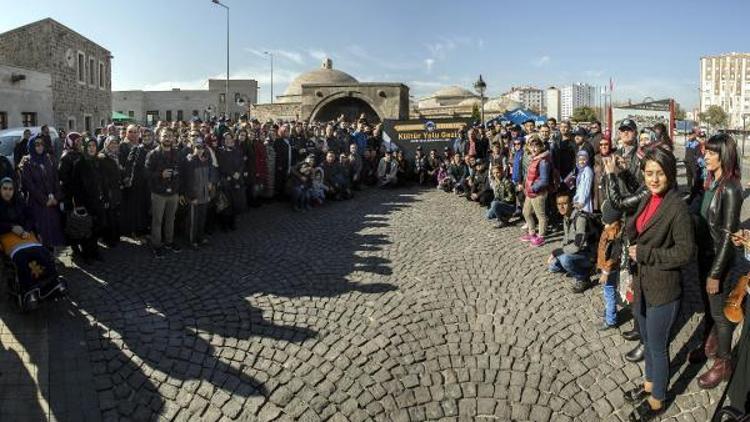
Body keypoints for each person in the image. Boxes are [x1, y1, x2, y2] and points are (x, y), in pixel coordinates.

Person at [611, 148, 695, 421]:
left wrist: (646, 254)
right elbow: (633, 223)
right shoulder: (648, 197)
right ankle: (649, 385)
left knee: (657, 346)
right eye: (649, 173)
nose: (654, 179)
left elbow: (685, 253)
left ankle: (658, 399)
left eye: (660, 173)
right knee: (646, 340)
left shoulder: (677, 207)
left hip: (663, 289)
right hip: (642, 283)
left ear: (670, 174)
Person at [686, 133, 742, 390]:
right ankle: (708, 344)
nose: (704, 156)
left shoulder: (731, 188)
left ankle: (724, 363)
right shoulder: (712, 182)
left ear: (724, 155)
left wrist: (716, 274)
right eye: (704, 152)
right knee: (710, 308)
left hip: (718, 262)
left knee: (720, 314)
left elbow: (729, 236)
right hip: (704, 255)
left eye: (710, 152)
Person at [0, 177, 64, 308]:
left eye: (10, 189)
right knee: (22, 258)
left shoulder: (20, 201)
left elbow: (30, 217)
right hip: (8, 238)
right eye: (4, 189)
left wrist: (27, 229)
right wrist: (11, 227)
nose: (8, 192)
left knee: (43, 253)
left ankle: (52, 284)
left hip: (26, 235)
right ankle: (29, 291)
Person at [18, 135, 65, 250]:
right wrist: (44, 200)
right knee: (41, 231)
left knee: (53, 230)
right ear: (31, 146)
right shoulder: (27, 163)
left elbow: (55, 179)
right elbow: (30, 186)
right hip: (37, 204)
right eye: (36, 144)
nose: (40, 147)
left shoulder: (48, 158)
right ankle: (44, 257)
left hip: (52, 202)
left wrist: (56, 197)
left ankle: (51, 254)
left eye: (42, 144)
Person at [548, 190, 597, 293]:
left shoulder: (580, 219)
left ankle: (583, 278)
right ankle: (577, 268)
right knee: (552, 267)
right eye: (559, 204)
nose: (561, 207)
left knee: (565, 260)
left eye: (565, 204)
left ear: (571, 204)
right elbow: (566, 240)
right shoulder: (566, 217)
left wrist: (558, 252)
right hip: (577, 253)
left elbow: (577, 245)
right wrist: (558, 254)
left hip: (588, 255)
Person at [145, 128, 182, 258]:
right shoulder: (153, 154)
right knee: (157, 221)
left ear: (173, 138)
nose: (167, 138)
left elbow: (180, 171)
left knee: (171, 219)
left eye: (170, 136)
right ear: (159, 137)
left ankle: (169, 242)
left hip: (173, 192)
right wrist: (160, 174)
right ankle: (156, 245)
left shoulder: (177, 153)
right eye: (165, 136)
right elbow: (146, 174)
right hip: (158, 193)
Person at [180, 137, 215, 249]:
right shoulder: (189, 161)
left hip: (204, 194)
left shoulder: (206, 159)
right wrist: (192, 196)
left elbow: (209, 176)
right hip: (194, 196)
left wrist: (209, 191)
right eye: (197, 147)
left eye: (202, 147)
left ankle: (200, 237)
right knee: (192, 220)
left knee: (202, 218)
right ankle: (191, 240)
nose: (200, 149)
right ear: (193, 147)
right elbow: (188, 181)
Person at [121, 128, 154, 241]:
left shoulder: (155, 149)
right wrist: (128, 179)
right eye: (144, 136)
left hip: (150, 184)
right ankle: (137, 232)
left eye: (149, 136)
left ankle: (146, 230)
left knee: (147, 207)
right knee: (137, 209)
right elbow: (129, 164)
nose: (147, 138)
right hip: (137, 184)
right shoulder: (136, 149)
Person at [596, 201, 624, 330]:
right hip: (608, 267)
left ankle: (611, 320)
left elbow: (613, 256)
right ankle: (609, 311)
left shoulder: (613, 233)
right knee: (609, 292)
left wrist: (605, 272)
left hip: (610, 269)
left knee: (609, 293)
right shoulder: (611, 228)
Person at [520, 137, 551, 247]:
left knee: (540, 215)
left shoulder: (543, 161)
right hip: (530, 191)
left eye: (536, 146)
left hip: (538, 192)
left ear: (541, 146)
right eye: (531, 146)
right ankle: (532, 232)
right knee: (526, 212)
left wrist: (533, 188)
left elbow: (544, 180)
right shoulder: (534, 158)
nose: (533, 148)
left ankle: (541, 236)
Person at [97, 136, 124, 248]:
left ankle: (115, 236)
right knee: (109, 215)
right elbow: (102, 178)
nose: (114, 145)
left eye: (116, 143)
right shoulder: (102, 157)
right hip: (108, 190)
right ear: (106, 144)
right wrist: (105, 194)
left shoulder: (116, 155)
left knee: (115, 214)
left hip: (116, 189)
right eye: (111, 143)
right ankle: (109, 239)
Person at [216, 132, 246, 231]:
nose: (228, 140)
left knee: (235, 202)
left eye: (230, 138)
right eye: (226, 139)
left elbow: (242, 163)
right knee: (226, 204)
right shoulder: (220, 151)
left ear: (233, 139)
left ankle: (232, 222)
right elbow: (222, 165)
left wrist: (238, 173)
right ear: (223, 141)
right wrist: (232, 174)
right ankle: (225, 224)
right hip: (226, 180)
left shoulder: (237, 150)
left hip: (237, 180)